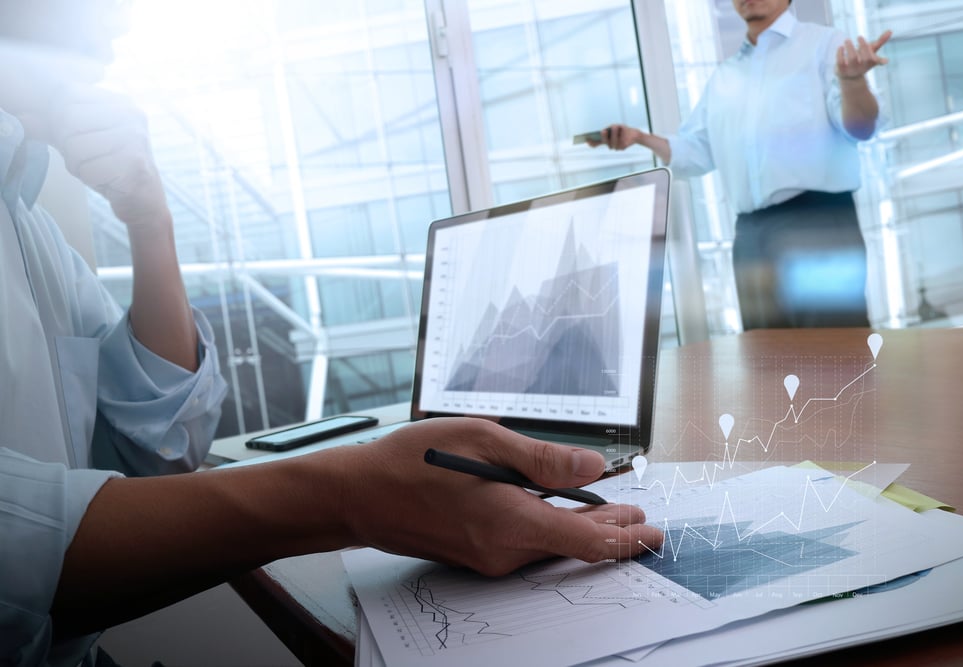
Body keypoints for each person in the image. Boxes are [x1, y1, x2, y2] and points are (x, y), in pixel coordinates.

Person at [0, 3, 663, 666]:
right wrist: (351, 492)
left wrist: (150, 221)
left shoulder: (30, 226)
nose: (118, 28)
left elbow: (161, 451)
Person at [591, 0, 891, 330]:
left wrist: (853, 82)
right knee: (768, 362)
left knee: (835, 356)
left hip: (817, 223)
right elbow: (695, 152)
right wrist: (640, 138)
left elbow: (861, 129)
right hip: (751, 236)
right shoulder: (724, 78)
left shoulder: (825, 44)